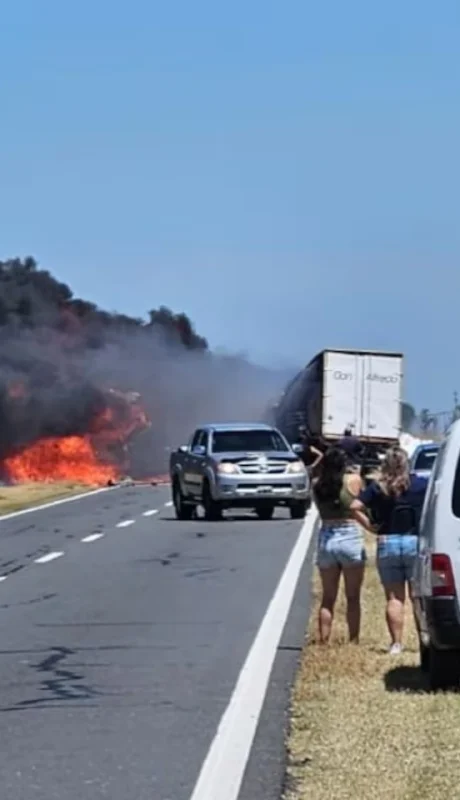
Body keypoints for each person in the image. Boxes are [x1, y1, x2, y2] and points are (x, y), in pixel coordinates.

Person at [358, 446, 428, 654]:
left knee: (394, 598)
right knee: (417, 597)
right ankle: (422, 641)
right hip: (414, 542)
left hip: (387, 541)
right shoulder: (420, 485)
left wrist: (370, 526)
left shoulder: (378, 487)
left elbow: (354, 505)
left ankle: (396, 643)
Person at [312, 446, 370, 644]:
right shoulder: (352, 481)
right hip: (349, 535)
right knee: (352, 596)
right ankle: (353, 639)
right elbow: (363, 503)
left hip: (327, 536)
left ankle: (323, 640)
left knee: (328, 597)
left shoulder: (317, 485)